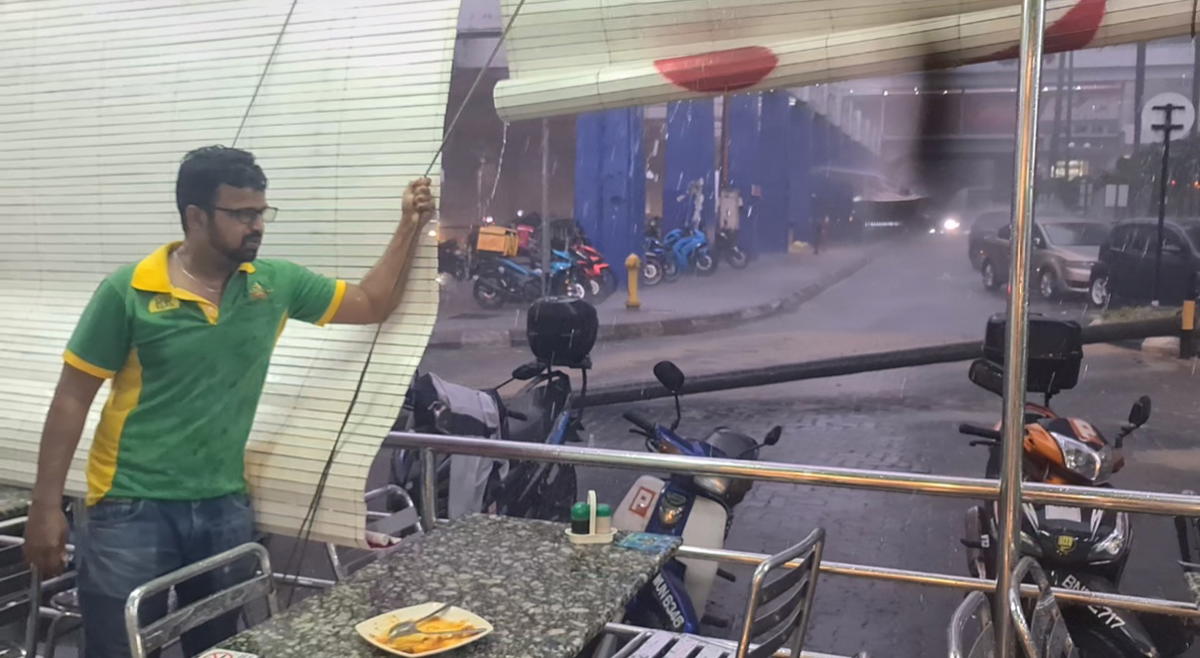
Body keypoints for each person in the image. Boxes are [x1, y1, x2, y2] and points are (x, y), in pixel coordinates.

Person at [21, 145, 435, 657]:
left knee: (222, 647)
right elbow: (70, 400)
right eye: (242, 214)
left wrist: (409, 224)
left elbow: (372, 302)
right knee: (117, 650)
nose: (257, 225)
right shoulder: (129, 292)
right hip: (130, 508)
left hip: (223, 503)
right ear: (195, 216)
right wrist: (45, 507)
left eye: (261, 212)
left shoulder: (272, 285)